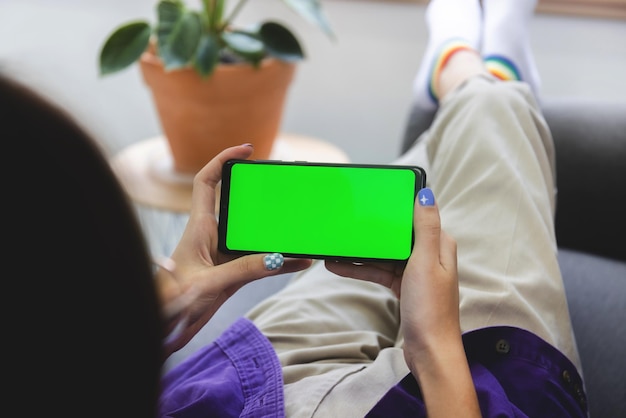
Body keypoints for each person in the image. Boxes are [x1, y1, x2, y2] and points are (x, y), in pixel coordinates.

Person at [3, 0, 588, 415]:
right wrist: (434, 349)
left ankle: (465, 65)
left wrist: (165, 305)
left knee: (424, 186)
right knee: (489, 115)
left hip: (236, 386)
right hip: (449, 396)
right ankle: (473, 67)